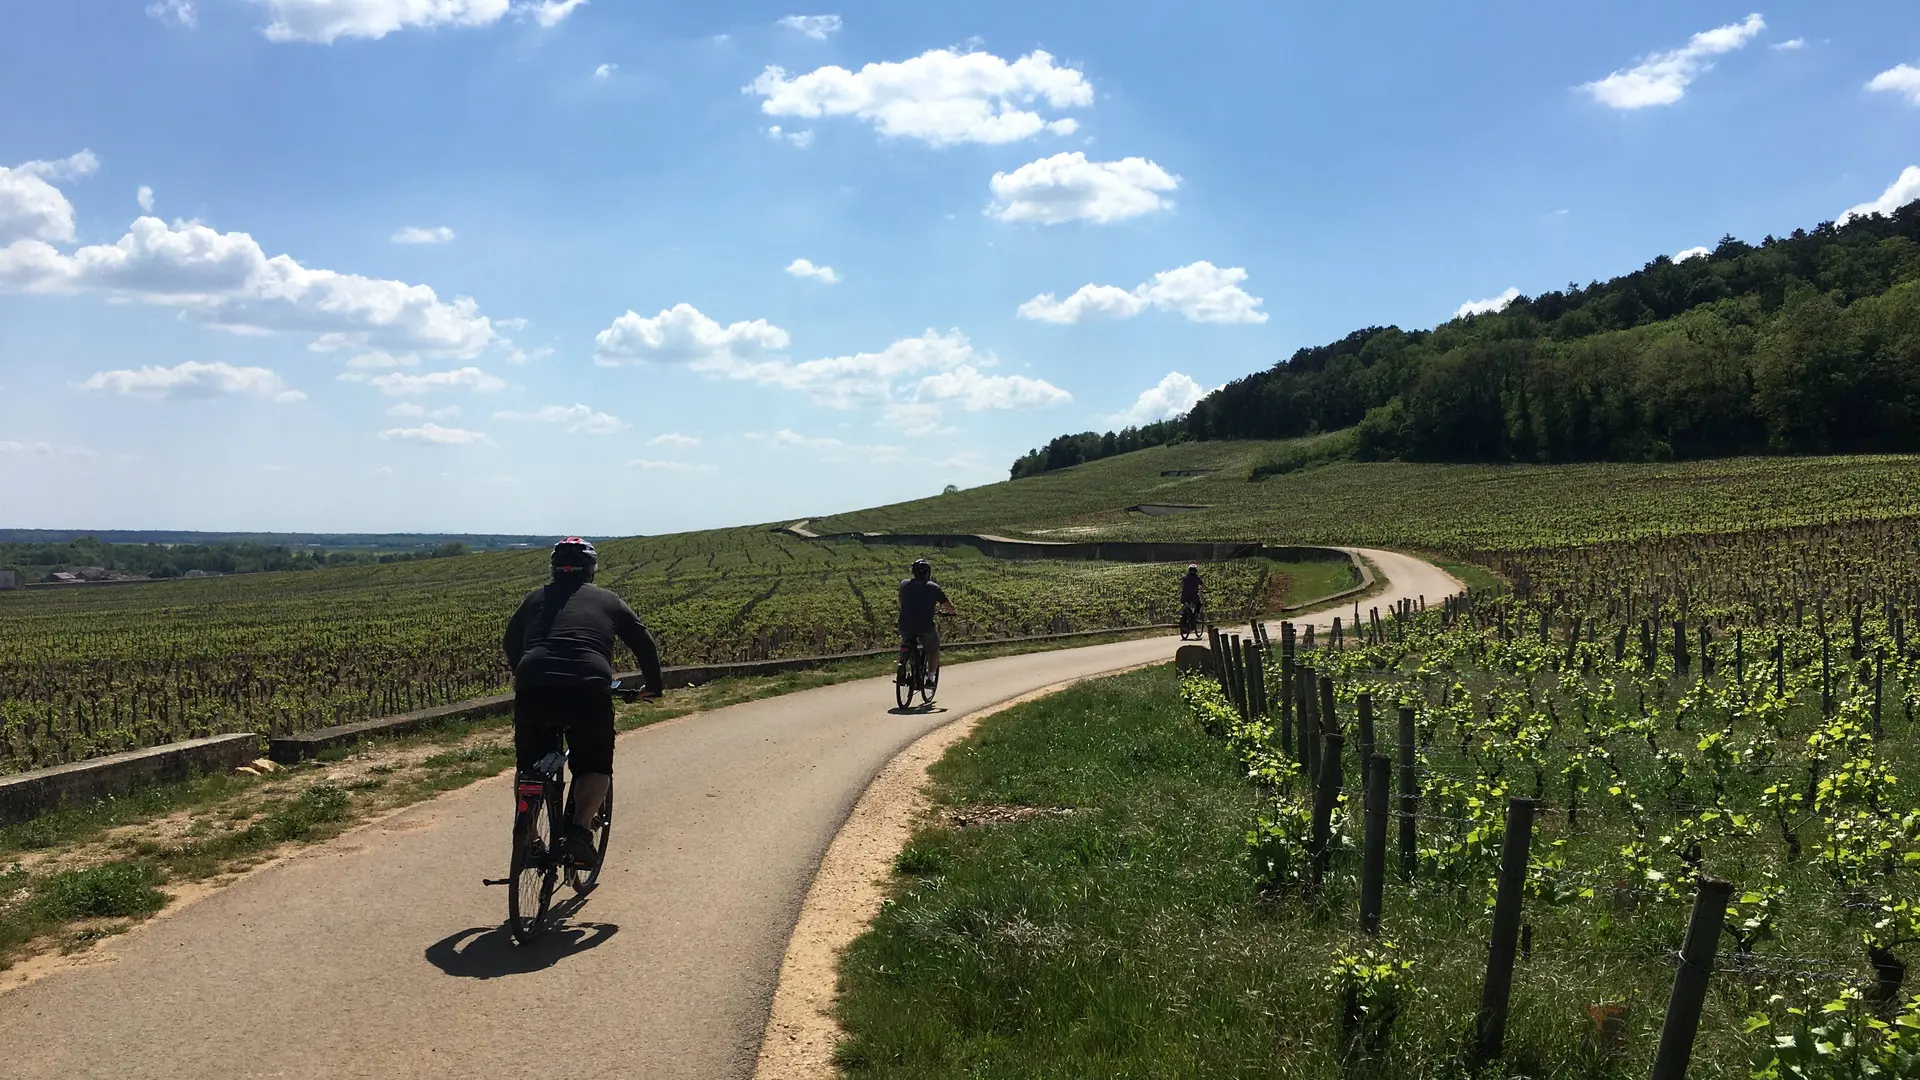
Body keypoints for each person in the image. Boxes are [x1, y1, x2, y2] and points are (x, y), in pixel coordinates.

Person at [503, 537, 663, 870]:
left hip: (533, 685)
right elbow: (644, 644)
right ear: (590, 570)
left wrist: (526, 671)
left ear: (554, 570)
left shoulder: (534, 599)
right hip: (588, 687)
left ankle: (528, 833)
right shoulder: (609, 600)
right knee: (594, 765)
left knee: (530, 766)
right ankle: (578, 830)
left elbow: (510, 640)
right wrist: (654, 685)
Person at [898, 558, 955, 687]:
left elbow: (901, 602)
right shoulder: (933, 587)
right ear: (927, 573)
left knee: (907, 642)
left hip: (904, 624)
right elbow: (949, 606)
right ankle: (930, 679)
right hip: (925, 626)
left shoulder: (904, 584)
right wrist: (951, 612)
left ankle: (903, 664)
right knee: (933, 649)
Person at [1180, 563, 1205, 631]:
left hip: (1184, 597)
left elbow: (1182, 584)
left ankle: (1185, 623)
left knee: (1186, 609)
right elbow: (1203, 584)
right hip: (1193, 596)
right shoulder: (1197, 578)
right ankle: (1195, 618)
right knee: (1199, 604)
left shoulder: (1185, 577)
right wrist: (1206, 590)